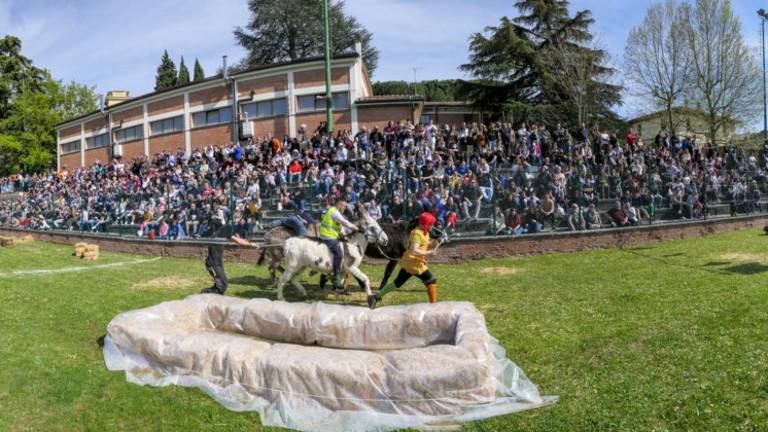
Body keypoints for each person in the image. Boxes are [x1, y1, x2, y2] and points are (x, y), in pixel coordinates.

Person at [367, 212, 441, 309]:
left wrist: (436, 242)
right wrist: (429, 253)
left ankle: (375, 297)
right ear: (425, 224)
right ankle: (434, 306)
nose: (433, 226)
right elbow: (414, 250)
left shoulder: (425, 233)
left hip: (411, 262)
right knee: (431, 280)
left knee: (396, 284)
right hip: (413, 263)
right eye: (431, 224)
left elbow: (425, 245)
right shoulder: (417, 234)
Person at [319, 197, 359, 291]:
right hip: (327, 237)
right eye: (344, 206)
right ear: (339, 204)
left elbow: (341, 229)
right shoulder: (334, 212)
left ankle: (325, 277)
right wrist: (355, 228)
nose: (345, 208)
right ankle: (337, 279)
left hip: (332, 236)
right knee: (339, 254)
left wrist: (347, 233)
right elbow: (344, 222)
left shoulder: (336, 213)